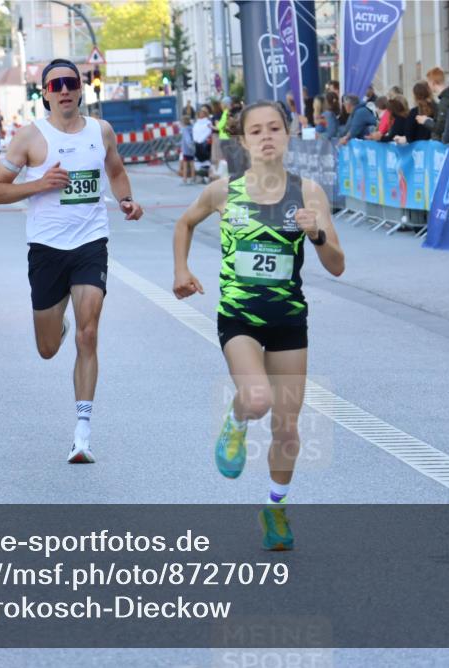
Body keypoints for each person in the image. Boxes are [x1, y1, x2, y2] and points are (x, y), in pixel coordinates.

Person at [171, 100, 345, 551]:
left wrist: (317, 235)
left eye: (274, 129)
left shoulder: (308, 194)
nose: (266, 137)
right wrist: (181, 271)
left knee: (288, 429)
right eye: (256, 131)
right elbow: (185, 223)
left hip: (288, 321)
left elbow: (338, 265)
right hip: (240, 319)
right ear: (244, 141)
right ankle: (237, 416)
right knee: (259, 397)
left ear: (287, 136)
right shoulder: (223, 191)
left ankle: (276, 507)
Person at [0, 58, 144, 464]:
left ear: (80, 88)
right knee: (47, 348)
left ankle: (82, 433)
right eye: (54, 84)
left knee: (88, 336)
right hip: (46, 249)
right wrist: (40, 183)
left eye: (69, 83)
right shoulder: (29, 138)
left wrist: (126, 199)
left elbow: (116, 169)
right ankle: (60, 323)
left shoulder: (101, 130)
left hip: (91, 243)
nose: (63, 90)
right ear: (44, 93)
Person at [427, 67, 449, 140]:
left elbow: (440, 127)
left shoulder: (445, 100)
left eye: (428, 82)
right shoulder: (448, 97)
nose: (428, 85)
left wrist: (426, 121)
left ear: (433, 82)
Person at [179, 114, 196, 184]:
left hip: (186, 150)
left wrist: (189, 146)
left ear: (183, 122)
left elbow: (187, 140)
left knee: (185, 165)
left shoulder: (185, 129)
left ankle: (185, 179)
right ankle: (193, 178)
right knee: (192, 164)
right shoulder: (192, 128)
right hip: (191, 150)